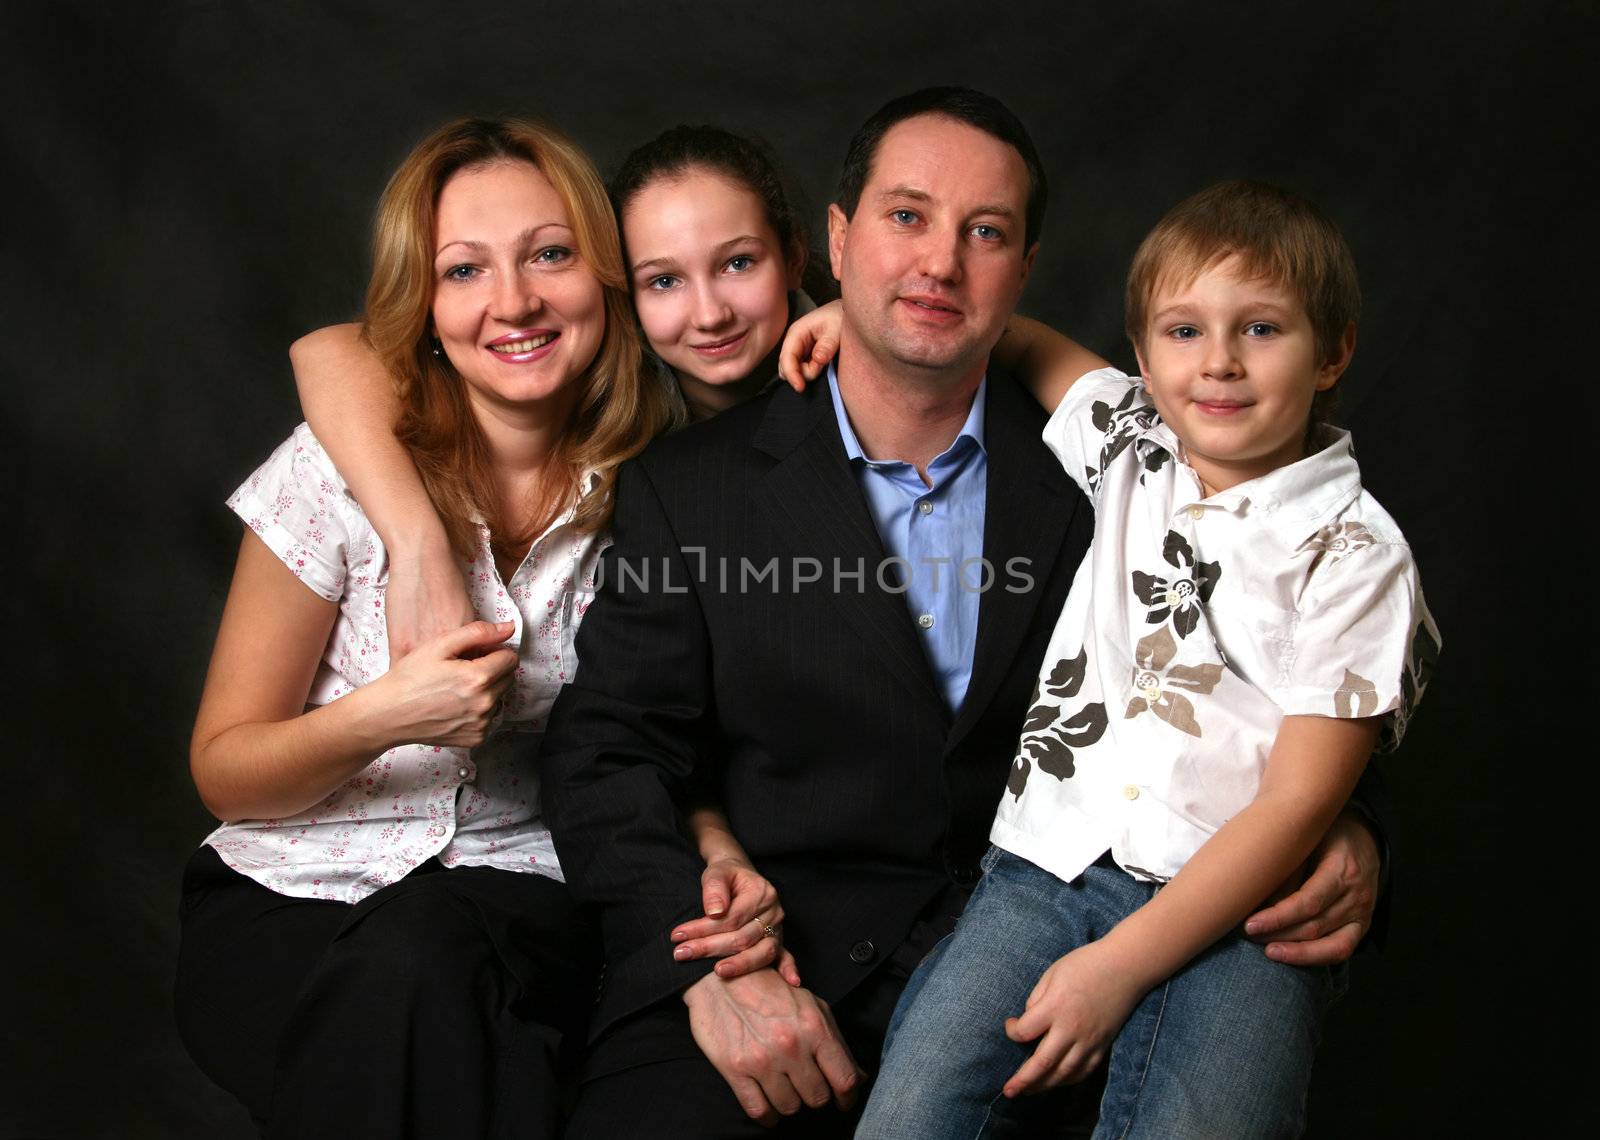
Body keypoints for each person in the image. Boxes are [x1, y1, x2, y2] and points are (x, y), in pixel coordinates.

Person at [535, 88, 1388, 1138]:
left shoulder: (1119, 465)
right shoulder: (690, 487)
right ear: (837, 242)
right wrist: (700, 966)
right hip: (771, 955)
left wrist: (1351, 825)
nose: (940, 262)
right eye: (905, 217)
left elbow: (1263, 653)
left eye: (983, 232)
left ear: (1023, 272)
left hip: (1043, 966)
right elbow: (606, 749)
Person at [853, 181, 1440, 1139]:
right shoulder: (1132, 442)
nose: (1217, 364)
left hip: (1243, 906)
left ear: (1332, 352)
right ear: (1141, 355)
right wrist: (854, 316)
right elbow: (1029, 343)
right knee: (910, 1114)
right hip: (1047, 862)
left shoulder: (1356, 553)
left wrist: (1120, 966)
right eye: (1182, 331)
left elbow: (1299, 804)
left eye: (1260, 330)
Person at [174, 115, 677, 1138]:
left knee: (424, 968)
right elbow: (226, 771)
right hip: (291, 895)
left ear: (608, 277)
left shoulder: (660, 497)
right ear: (427, 307)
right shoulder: (334, 478)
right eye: (464, 271)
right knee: (418, 992)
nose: (514, 302)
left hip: (518, 894)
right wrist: (381, 715)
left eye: (550, 254)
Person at [287, 122, 836, 979]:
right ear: (629, 283)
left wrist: (858, 315)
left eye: (738, 264)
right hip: (370, 879)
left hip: (699, 849)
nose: (708, 312)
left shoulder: (797, 398)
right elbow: (330, 352)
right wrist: (419, 541)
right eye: (663, 278)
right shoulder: (626, 418)